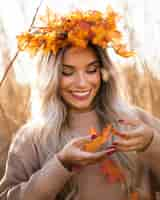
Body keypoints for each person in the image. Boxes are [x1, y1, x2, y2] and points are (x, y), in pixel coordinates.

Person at [0, 6, 160, 200]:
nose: (82, 83)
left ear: (103, 72)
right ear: (51, 77)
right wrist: (60, 164)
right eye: (67, 72)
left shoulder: (136, 120)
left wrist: (152, 144)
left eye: (91, 70)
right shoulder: (31, 137)